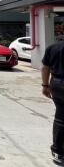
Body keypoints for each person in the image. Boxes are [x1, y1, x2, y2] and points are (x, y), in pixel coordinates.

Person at [41, 36, 64, 166]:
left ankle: (58, 151)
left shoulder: (53, 48)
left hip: (56, 84)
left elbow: (45, 67)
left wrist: (45, 86)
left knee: (60, 117)